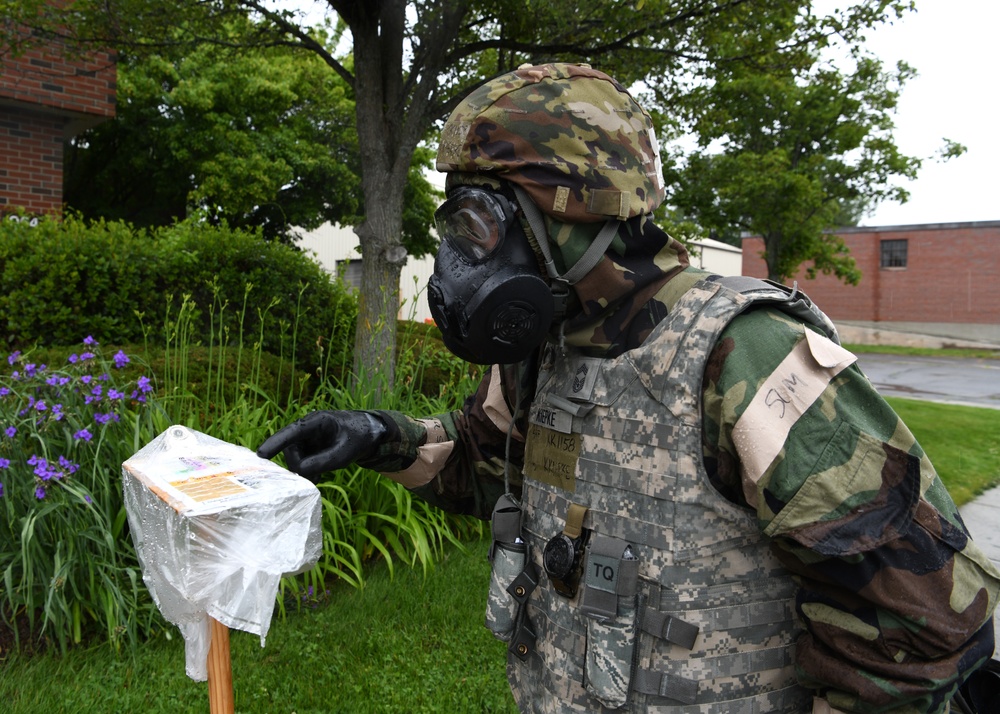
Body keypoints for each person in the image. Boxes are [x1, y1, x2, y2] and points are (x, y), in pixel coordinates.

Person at [257, 63, 1000, 713]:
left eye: (478, 223)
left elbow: (924, 616)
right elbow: (491, 463)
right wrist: (381, 438)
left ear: (575, 208)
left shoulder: (745, 353)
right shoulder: (547, 344)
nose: (459, 258)